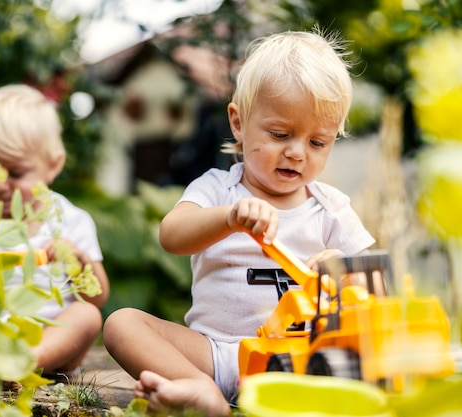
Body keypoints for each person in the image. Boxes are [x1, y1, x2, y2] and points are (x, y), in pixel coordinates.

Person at [102, 28, 375, 417]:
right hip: (213, 354)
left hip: (296, 361)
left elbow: (376, 286)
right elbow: (171, 236)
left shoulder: (329, 208)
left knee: (365, 350)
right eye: (280, 134)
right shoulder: (218, 189)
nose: (297, 153)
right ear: (238, 123)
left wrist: (341, 269)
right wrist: (229, 219)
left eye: (318, 143)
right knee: (122, 323)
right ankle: (200, 393)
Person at [0, 84, 110, 379]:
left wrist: (77, 260)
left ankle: (23, 361)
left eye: (15, 173)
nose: (1, 185)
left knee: (88, 316)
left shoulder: (71, 221)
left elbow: (98, 297)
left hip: (48, 338)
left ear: (53, 165)